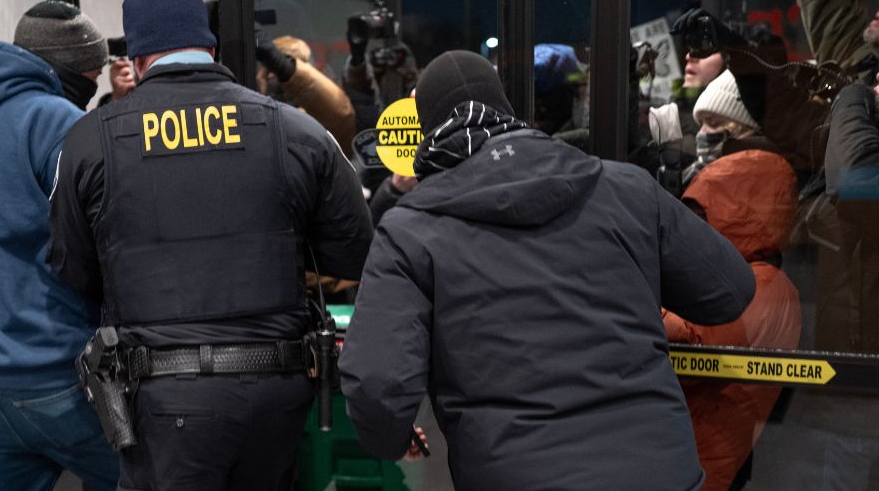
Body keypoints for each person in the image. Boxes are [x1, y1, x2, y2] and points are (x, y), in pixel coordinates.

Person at [338, 50, 756, 490]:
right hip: (660, 473)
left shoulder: (410, 231)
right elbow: (728, 290)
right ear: (507, 111)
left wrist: (391, 436)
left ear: (427, 131)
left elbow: (378, 387)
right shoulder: (626, 188)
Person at [49, 0, 373, 491]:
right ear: (211, 46)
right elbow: (355, 254)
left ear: (135, 59)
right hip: (279, 389)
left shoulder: (91, 141)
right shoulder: (294, 129)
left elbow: (74, 270)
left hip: (162, 399)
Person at [0, 0, 118, 491]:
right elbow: (93, 238)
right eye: (92, 71)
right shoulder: (54, 119)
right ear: (67, 66)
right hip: (54, 374)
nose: (94, 82)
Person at [664, 149, 802, 491]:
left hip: (702, 461)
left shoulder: (767, 286)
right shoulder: (731, 275)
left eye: (702, 217)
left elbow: (696, 342)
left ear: (740, 217)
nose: (693, 230)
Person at [255, 35, 356, 155]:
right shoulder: (258, 98)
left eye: (277, 71)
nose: (270, 76)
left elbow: (341, 117)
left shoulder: (319, 115)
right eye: (267, 70)